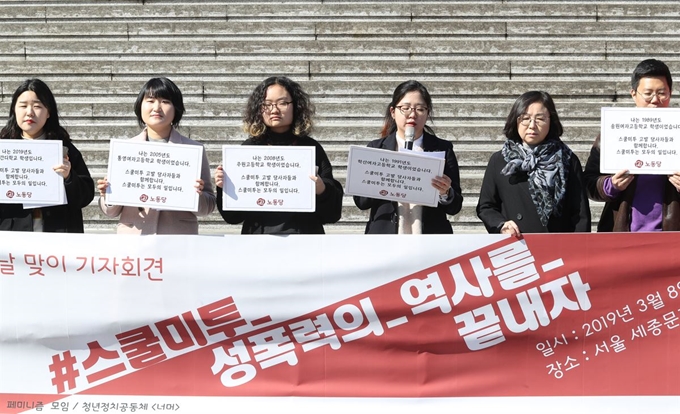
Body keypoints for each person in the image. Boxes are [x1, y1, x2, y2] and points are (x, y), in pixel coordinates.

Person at [214, 76, 343, 234]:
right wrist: (223, 187)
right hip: (258, 243)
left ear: (296, 106)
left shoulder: (310, 148)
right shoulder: (249, 150)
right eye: (267, 104)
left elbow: (332, 214)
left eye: (283, 103)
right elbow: (232, 217)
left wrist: (322, 189)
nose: (274, 110)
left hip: (304, 241)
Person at [97, 77, 215, 234]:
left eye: (165, 101)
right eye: (150, 100)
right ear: (140, 106)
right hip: (134, 238)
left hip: (178, 239)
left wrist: (196, 195)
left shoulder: (193, 150)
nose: (157, 107)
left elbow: (207, 208)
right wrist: (108, 196)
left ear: (176, 108)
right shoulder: (126, 150)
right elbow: (111, 212)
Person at [353, 80, 463, 234]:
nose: (412, 114)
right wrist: (382, 180)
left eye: (420, 109)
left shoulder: (442, 149)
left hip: (430, 237)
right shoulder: (376, 148)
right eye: (405, 108)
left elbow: (455, 206)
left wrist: (446, 192)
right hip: (385, 236)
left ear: (427, 113)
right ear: (393, 112)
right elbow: (361, 202)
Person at [584, 59, 680, 231]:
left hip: (672, 237)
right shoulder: (612, 133)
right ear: (634, 94)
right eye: (648, 93)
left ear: (670, 93)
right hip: (622, 234)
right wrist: (611, 185)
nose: (655, 100)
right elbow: (589, 183)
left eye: (662, 93)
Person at [476, 91, 590, 235]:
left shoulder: (567, 160)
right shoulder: (499, 161)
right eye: (525, 118)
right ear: (515, 120)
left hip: (557, 248)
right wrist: (501, 225)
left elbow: (580, 214)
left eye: (540, 119)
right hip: (516, 246)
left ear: (551, 121)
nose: (532, 125)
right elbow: (486, 206)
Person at [0, 78, 94, 232]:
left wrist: (69, 178)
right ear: (14, 110)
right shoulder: (4, 149)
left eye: (37, 106)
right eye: (23, 106)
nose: (29, 112)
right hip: (13, 238)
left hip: (58, 236)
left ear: (48, 112)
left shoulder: (65, 149)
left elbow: (85, 196)